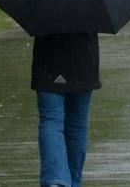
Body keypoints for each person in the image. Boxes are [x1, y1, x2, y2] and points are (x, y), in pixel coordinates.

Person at [31, 32, 101, 187]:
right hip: (84, 56)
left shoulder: (44, 6)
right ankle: (73, 181)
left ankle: (56, 179)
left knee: (51, 120)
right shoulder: (91, 7)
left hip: (48, 57)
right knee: (77, 124)